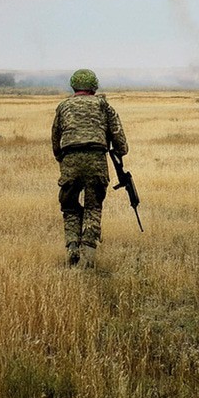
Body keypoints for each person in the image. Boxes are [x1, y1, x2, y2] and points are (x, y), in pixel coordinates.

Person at [51, 69, 128, 267]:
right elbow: (119, 137)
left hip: (70, 161)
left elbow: (55, 138)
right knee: (94, 207)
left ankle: (72, 247)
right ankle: (88, 253)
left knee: (69, 207)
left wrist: (62, 159)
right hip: (96, 160)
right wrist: (121, 151)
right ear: (94, 86)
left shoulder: (63, 107)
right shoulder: (103, 105)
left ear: (74, 86)